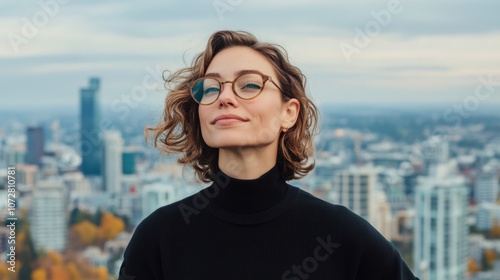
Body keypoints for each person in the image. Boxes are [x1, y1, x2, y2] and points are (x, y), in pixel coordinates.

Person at [119, 30, 418, 279]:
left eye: (249, 84)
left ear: (288, 113)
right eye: (210, 89)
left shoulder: (341, 235)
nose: (224, 97)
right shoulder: (159, 238)